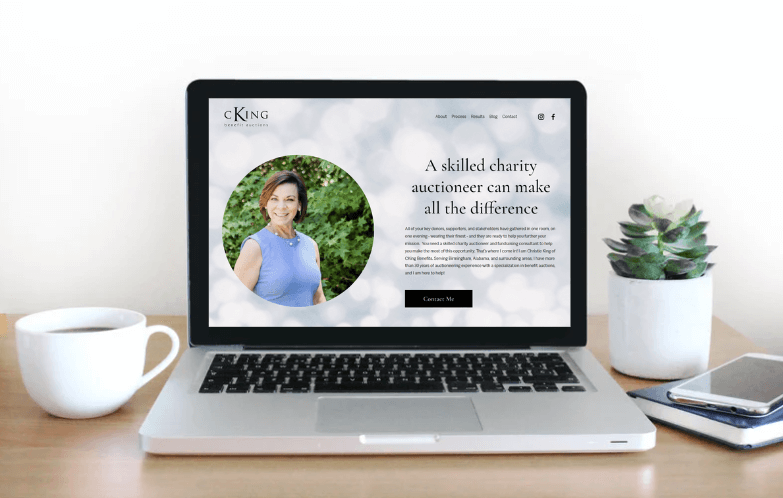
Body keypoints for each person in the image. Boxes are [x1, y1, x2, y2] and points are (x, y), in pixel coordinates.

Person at [233, 170, 327, 307]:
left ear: (299, 204)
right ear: (266, 203)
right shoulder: (254, 246)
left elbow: (318, 299)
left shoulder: (311, 245)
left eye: (289, 199)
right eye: (274, 199)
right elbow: (236, 304)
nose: (281, 207)